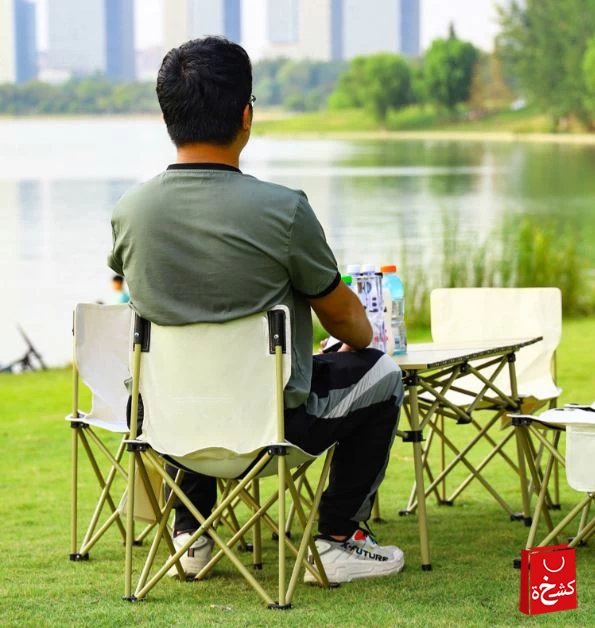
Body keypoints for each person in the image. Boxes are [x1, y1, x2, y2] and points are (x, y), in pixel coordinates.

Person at [108, 37, 404, 584]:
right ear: (246, 115)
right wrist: (357, 338)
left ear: (167, 117)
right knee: (383, 373)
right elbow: (348, 323)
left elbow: (129, 286)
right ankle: (337, 538)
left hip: (165, 425)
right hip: (274, 428)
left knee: (184, 371)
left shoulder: (130, 212)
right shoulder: (283, 210)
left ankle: (191, 535)